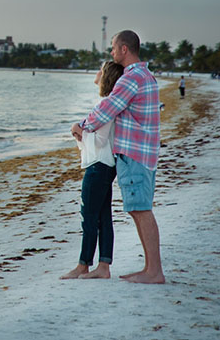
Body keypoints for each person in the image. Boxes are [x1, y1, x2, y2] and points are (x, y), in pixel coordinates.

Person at [70, 29, 165, 284]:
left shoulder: (131, 78)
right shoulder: (145, 76)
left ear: (124, 49)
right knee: (138, 209)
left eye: (113, 48)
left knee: (141, 210)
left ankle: (154, 271)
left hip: (134, 153)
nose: (111, 53)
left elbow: (107, 109)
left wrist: (80, 125)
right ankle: (150, 269)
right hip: (143, 153)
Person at [61, 60, 124, 280]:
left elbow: (99, 139)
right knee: (103, 216)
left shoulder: (105, 104)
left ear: (106, 76)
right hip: (105, 164)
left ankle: (83, 265)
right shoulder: (108, 103)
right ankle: (103, 266)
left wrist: (78, 130)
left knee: (89, 216)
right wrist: (80, 131)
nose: (96, 73)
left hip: (99, 166)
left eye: (100, 69)